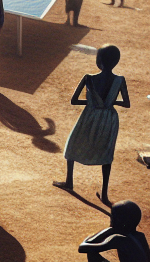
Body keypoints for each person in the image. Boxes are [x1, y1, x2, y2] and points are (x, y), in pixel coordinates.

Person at [53, 44, 130, 206]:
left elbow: (74, 100)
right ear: (116, 62)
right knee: (107, 153)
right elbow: (126, 103)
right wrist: (108, 103)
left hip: (89, 115)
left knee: (73, 145)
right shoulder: (119, 80)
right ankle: (104, 194)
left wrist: (91, 102)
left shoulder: (89, 78)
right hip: (109, 118)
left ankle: (69, 181)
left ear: (99, 61)